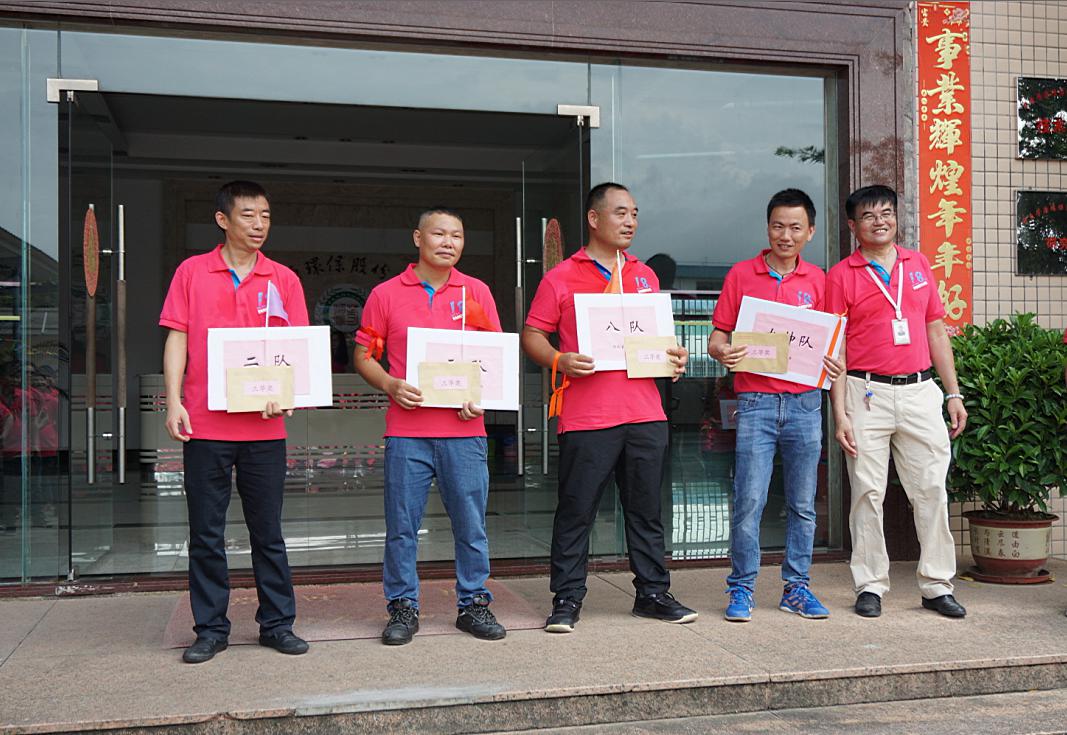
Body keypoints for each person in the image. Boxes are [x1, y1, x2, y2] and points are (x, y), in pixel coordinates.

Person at [521, 182, 697, 633]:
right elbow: (533, 335)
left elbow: (657, 342)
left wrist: (674, 358)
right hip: (588, 416)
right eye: (620, 213)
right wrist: (559, 359)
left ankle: (652, 593)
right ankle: (566, 598)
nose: (630, 222)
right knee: (576, 510)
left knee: (646, 511)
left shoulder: (645, 275)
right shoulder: (561, 276)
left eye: (634, 214)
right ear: (594, 218)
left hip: (646, 413)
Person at [160, 180, 311, 663]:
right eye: (248, 215)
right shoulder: (192, 272)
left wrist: (288, 396)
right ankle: (210, 629)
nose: (259, 224)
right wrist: (173, 401)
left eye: (265, 215)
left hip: (264, 429)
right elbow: (177, 337)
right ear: (222, 220)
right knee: (206, 533)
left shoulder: (283, 279)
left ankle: (277, 625)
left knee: (268, 532)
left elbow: (296, 349)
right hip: (205, 425)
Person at [354, 206, 506, 646]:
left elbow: (493, 358)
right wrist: (390, 384)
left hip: (465, 432)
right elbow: (364, 355)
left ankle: (473, 604)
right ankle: (403, 607)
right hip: (407, 432)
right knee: (402, 527)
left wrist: (482, 397)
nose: (448, 242)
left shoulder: (476, 292)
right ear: (417, 238)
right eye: (439, 233)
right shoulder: (385, 294)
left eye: (457, 235)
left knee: (471, 525)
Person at [826, 184, 968, 619]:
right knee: (867, 491)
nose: (880, 221)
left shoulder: (918, 264)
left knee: (931, 489)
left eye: (886, 213)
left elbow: (935, 330)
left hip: (920, 391)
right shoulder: (841, 274)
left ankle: (937, 585)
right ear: (853, 226)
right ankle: (870, 585)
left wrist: (953, 393)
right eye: (869, 215)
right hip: (865, 392)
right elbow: (836, 348)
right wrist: (840, 413)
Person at [707, 188, 843, 623]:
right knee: (749, 499)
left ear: (811, 232)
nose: (786, 235)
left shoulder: (820, 280)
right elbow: (718, 336)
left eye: (795, 227)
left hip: (805, 404)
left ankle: (796, 589)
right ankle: (742, 588)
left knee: (803, 503)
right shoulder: (741, 275)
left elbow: (833, 342)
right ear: (768, 228)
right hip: (756, 403)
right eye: (778, 226)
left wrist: (834, 361)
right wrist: (721, 351)